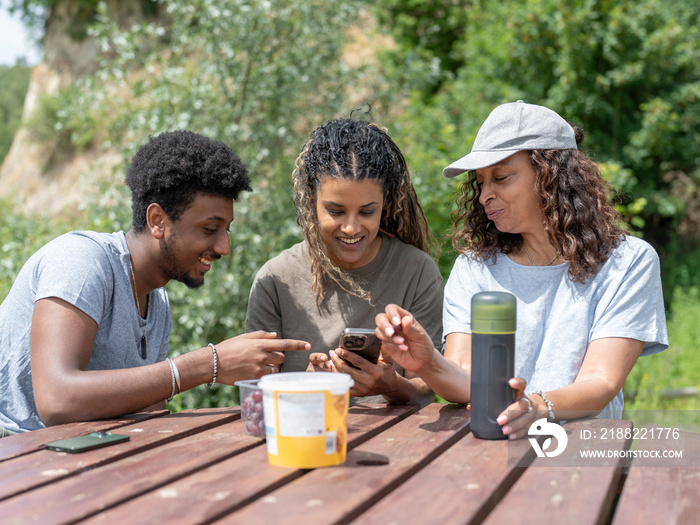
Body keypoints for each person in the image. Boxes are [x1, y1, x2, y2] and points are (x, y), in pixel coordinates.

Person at [374, 101, 668, 437]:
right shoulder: (474, 268)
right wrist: (426, 362)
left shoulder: (627, 262)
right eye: (480, 182)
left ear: (552, 175)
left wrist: (535, 406)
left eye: (501, 177)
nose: (485, 195)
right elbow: (466, 379)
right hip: (489, 451)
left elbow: (600, 382)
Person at [0, 130, 310, 436]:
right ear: (157, 221)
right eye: (209, 229)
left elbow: (145, 418)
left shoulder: (157, 304)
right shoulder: (81, 261)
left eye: (226, 230)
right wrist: (208, 364)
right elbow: (57, 401)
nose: (223, 247)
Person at [245, 116, 444, 405]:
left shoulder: (417, 272)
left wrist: (391, 385)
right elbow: (257, 398)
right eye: (336, 211)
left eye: (367, 212)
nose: (351, 228)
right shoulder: (275, 280)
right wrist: (304, 391)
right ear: (311, 201)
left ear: (385, 203)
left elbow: (430, 388)